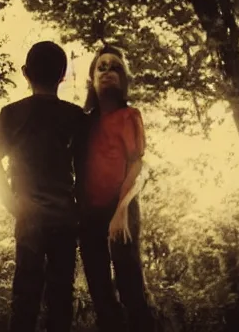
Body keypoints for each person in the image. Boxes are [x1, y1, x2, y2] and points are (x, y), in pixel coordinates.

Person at [0, 41, 86, 332]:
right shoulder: (75, 116)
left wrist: (15, 206)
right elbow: (86, 170)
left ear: (25, 73)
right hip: (65, 219)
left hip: (29, 220)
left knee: (25, 299)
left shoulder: (11, 114)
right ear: (63, 76)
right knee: (60, 302)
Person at [79, 45, 155, 332]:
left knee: (130, 283)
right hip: (88, 215)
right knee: (99, 289)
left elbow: (137, 166)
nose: (108, 71)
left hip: (121, 209)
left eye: (115, 67)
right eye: (102, 67)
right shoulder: (84, 122)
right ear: (92, 79)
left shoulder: (130, 116)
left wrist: (121, 210)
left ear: (124, 80)